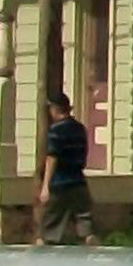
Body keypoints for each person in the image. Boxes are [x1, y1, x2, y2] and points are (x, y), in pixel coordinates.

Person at [37, 86, 94, 245]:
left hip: (59, 183)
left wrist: (45, 187)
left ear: (55, 109)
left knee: (48, 227)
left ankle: (39, 257)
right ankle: (90, 240)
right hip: (78, 182)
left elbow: (52, 158)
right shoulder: (79, 129)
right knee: (84, 221)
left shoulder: (56, 130)